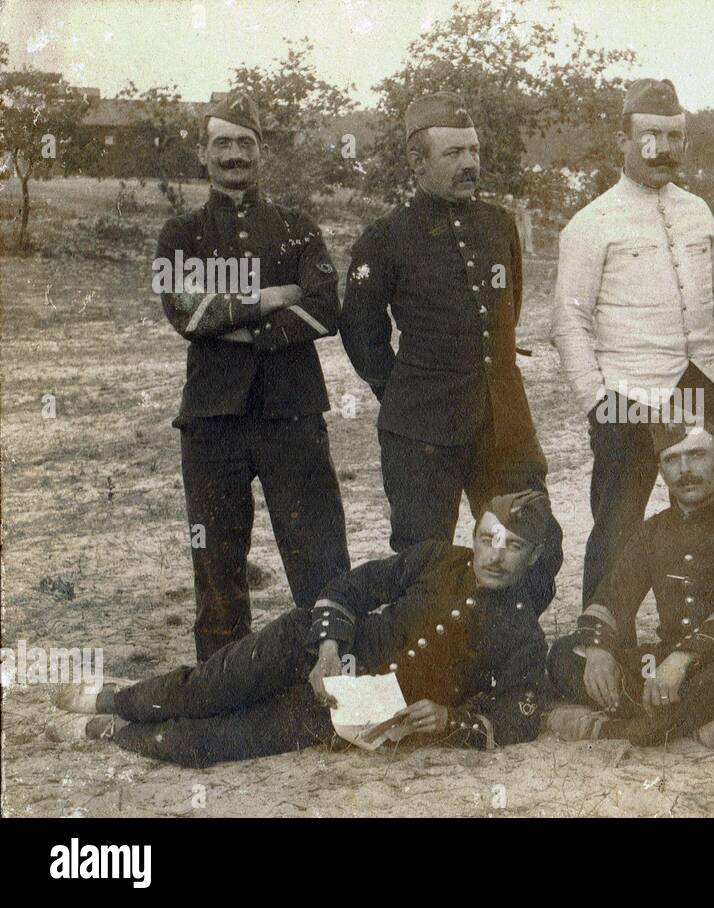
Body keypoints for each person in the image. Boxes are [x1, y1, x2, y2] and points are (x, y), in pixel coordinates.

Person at [47, 492, 562, 768]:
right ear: (473, 534)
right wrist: (328, 650)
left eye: (513, 545)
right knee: (209, 688)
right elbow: (352, 587)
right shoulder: (434, 558)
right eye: (488, 538)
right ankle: (115, 699)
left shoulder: (522, 634)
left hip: (354, 715)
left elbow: (519, 714)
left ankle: (113, 734)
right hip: (313, 647)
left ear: (534, 556)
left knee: (217, 743)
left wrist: (451, 717)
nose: (494, 555)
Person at [154, 90, 349, 660]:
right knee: (216, 562)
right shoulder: (181, 234)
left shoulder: (297, 227)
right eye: (222, 143)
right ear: (203, 154)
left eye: (245, 142)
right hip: (212, 422)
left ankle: (333, 672)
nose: (234, 153)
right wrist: (271, 296)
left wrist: (233, 323)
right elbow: (186, 314)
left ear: (262, 151)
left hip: (293, 414)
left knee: (318, 552)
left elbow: (323, 310)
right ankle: (221, 686)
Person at [551, 77, 714, 609]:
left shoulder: (698, 211)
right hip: (629, 399)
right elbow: (569, 324)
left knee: (709, 522)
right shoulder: (591, 224)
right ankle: (604, 649)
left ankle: (706, 647)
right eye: (650, 136)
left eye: (675, 136)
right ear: (624, 140)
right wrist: (598, 400)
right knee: (618, 528)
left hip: (704, 387)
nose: (664, 149)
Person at [342, 93, 548, 552]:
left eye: (473, 150)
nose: (470, 163)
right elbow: (360, 330)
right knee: (424, 558)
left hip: (503, 419)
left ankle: (501, 626)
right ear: (417, 162)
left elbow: (506, 311)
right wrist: (402, 391)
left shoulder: (499, 225)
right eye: (454, 153)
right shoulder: (387, 237)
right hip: (422, 429)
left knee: (531, 541)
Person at [546, 420, 714, 748]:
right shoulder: (651, 532)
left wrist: (684, 658)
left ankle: (623, 730)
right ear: (661, 470)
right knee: (564, 654)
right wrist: (598, 648)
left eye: (697, 455)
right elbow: (614, 595)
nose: (685, 469)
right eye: (672, 459)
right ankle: (692, 724)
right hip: (663, 665)